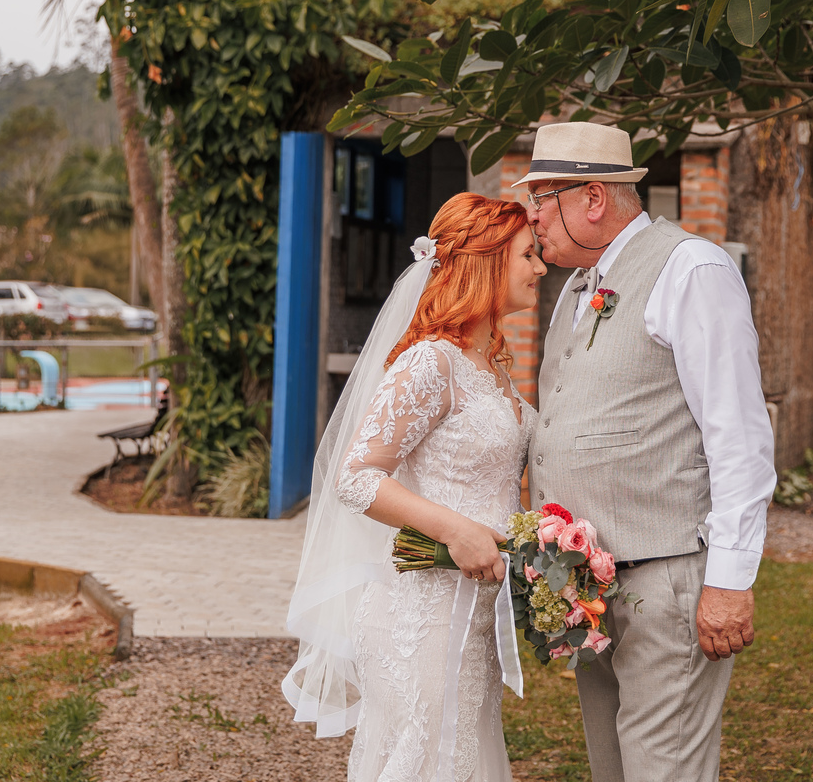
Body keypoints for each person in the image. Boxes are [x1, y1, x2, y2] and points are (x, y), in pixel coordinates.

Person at [517, 122, 777, 782]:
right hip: (592, 588)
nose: (533, 217)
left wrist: (731, 579)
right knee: (613, 769)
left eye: (543, 198)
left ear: (593, 199)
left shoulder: (693, 269)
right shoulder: (574, 293)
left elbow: (739, 435)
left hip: (666, 582)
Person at [283, 192, 547, 782]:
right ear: (487, 263)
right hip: (421, 615)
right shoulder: (431, 363)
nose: (540, 268)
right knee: (428, 761)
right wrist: (457, 531)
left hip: (473, 614)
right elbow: (355, 478)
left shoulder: (493, 365)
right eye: (527, 256)